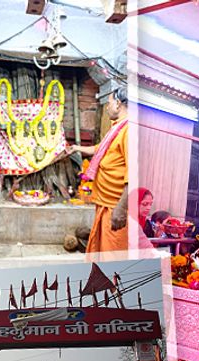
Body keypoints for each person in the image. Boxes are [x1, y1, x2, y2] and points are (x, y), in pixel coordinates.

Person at [69, 87, 129, 254]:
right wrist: (75, 148)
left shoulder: (128, 131)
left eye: (108, 103)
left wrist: (121, 209)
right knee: (101, 253)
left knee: (113, 256)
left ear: (118, 104)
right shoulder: (117, 128)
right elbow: (100, 149)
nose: (107, 107)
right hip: (105, 205)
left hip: (115, 207)